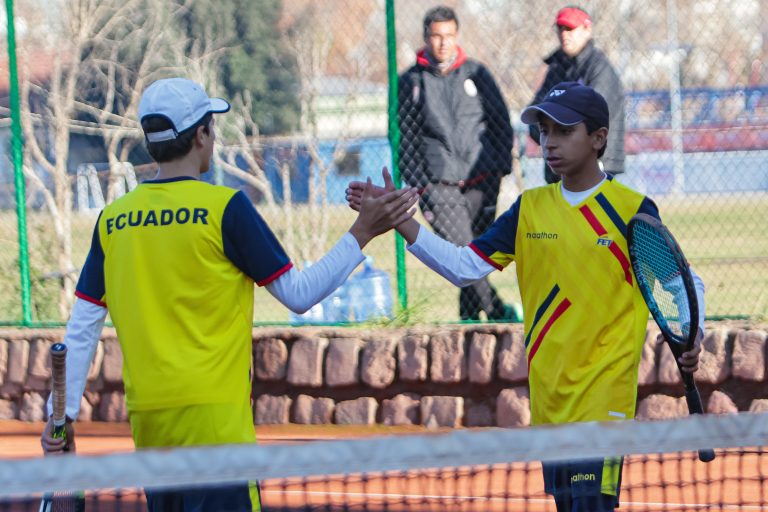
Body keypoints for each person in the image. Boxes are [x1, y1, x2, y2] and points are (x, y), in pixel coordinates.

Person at [40, 77, 418, 512]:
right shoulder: (225, 208)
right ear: (201, 135)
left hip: (150, 424)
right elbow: (299, 294)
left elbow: (82, 328)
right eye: (212, 127)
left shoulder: (112, 220)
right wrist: (362, 231)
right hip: (217, 428)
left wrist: (61, 414)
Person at [348, 82, 705, 511]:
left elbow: (684, 283)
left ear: (599, 138)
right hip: (548, 403)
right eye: (544, 131)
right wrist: (400, 220)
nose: (549, 142)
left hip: (603, 401)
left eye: (564, 131)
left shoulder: (631, 210)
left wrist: (694, 332)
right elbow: (463, 268)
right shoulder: (528, 209)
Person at [398, 5, 515, 321]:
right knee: (462, 252)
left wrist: (500, 167)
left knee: (477, 252)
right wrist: (419, 184)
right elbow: (403, 137)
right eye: (437, 36)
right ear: (426, 37)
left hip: (482, 178)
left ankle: (468, 316)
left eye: (449, 35)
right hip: (438, 184)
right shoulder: (411, 81)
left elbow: (500, 121)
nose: (443, 43)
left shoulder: (477, 73)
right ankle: (498, 311)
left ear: (457, 36)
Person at [528, 5, 625, 185]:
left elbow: (594, 120)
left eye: (570, 28)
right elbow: (535, 115)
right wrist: (553, 135)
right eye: (560, 28)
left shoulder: (599, 68)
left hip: (596, 165)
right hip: (558, 168)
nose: (564, 34)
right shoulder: (556, 67)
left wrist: (558, 130)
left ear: (587, 29)